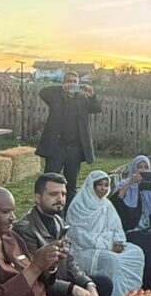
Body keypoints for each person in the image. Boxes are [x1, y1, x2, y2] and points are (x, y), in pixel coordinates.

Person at [13, 173, 112, 296]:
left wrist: (88, 283)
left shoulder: (58, 220)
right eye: (53, 194)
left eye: (63, 194)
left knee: (103, 284)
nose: (60, 199)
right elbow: (37, 276)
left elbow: (70, 259)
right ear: (38, 197)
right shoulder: (25, 229)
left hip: (60, 281)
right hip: (42, 290)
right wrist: (73, 288)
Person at [65, 171, 146, 296]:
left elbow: (117, 228)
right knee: (110, 261)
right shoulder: (78, 205)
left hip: (105, 245)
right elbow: (79, 236)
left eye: (106, 185)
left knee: (137, 252)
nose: (103, 188)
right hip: (84, 249)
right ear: (91, 186)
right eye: (100, 185)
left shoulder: (106, 204)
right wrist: (108, 244)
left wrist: (118, 242)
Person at [111, 154, 151, 290]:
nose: (142, 170)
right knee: (149, 243)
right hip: (133, 228)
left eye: (145, 167)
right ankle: (146, 284)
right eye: (139, 167)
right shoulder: (124, 184)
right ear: (134, 169)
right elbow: (115, 201)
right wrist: (130, 184)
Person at [36, 69, 102, 200]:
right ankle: (43, 208)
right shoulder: (56, 96)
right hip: (56, 147)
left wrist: (92, 95)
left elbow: (97, 108)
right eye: (69, 82)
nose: (72, 84)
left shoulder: (83, 99)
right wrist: (61, 88)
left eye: (74, 82)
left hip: (75, 149)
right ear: (64, 83)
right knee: (48, 181)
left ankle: (68, 214)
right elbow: (42, 92)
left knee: (71, 185)